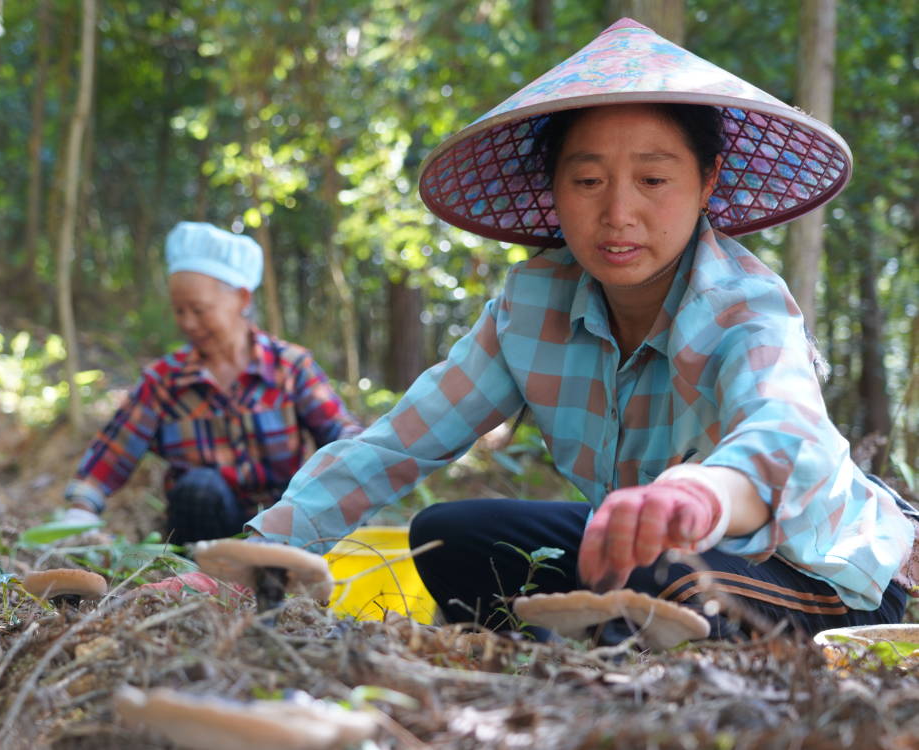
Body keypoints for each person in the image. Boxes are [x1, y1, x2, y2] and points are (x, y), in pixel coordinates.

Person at [246, 19, 916, 640]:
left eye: (654, 178)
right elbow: (396, 445)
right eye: (588, 179)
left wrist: (698, 495)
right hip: (652, 551)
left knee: (664, 579)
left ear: (708, 179)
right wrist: (257, 561)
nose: (619, 212)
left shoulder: (745, 307)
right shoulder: (532, 303)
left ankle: (616, 654)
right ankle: (577, 658)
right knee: (444, 533)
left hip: (821, 570)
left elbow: (783, 433)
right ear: (554, 186)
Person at [63, 222, 362, 545]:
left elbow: (341, 434)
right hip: (201, 534)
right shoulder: (165, 380)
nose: (188, 322)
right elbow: (111, 454)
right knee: (199, 487)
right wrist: (80, 512)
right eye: (179, 310)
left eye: (199, 310)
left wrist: (363, 461)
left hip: (282, 530)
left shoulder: (290, 367)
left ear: (241, 298)